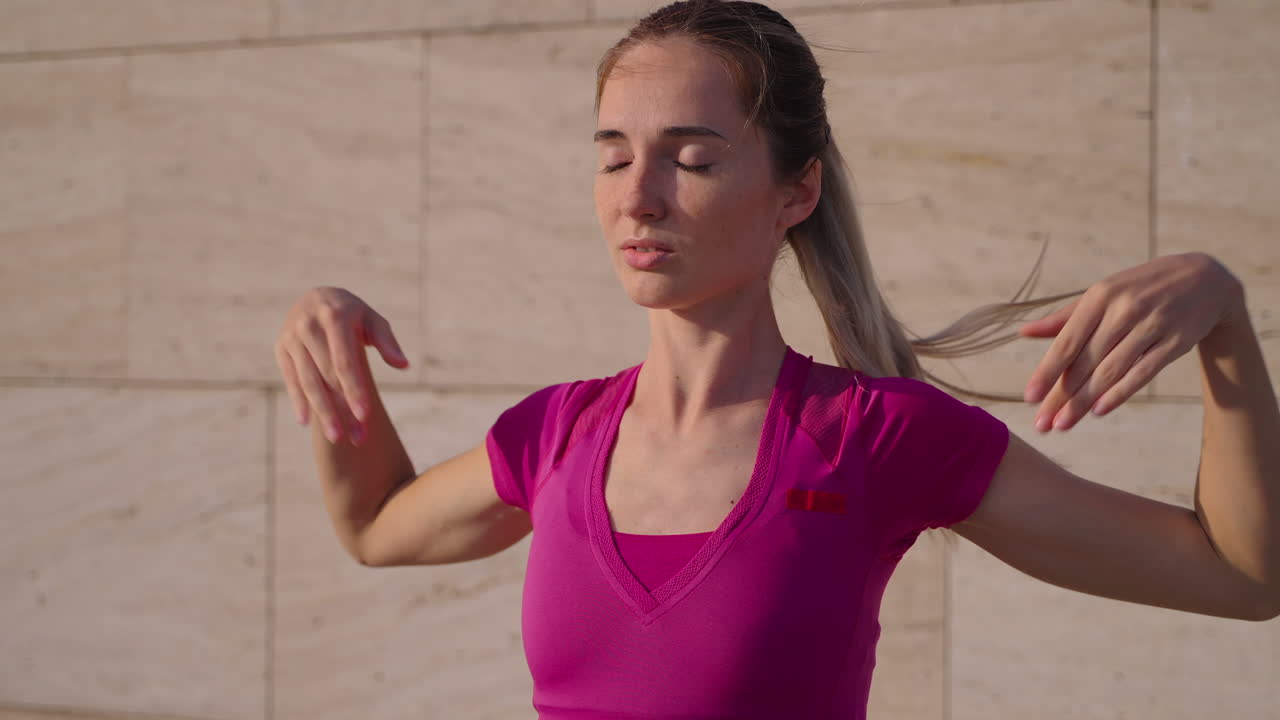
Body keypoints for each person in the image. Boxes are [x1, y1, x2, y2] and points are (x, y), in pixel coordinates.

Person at [273, 1, 1280, 717]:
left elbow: (1238, 578)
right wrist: (326, 358)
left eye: (693, 158)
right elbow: (372, 526)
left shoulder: (876, 440)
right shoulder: (556, 436)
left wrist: (1224, 328)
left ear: (794, 191)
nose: (639, 195)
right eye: (614, 154)